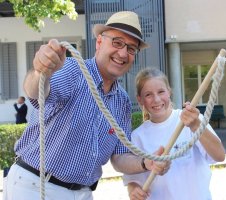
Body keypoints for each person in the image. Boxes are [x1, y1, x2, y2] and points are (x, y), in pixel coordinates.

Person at [4, 11, 169, 200]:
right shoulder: (72, 70)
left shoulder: (121, 100)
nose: (123, 53)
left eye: (131, 48)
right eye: (117, 42)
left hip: (83, 193)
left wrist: (145, 163)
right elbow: (36, 93)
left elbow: (119, 156)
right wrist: (40, 70)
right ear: (99, 42)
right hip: (35, 187)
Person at [123, 67, 226, 200]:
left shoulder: (191, 120)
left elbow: (220, 155)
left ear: (169, 91)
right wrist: (134, 190)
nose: (156, 99)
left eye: (161, 92)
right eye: (148, 94)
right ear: (140, 99)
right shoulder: (137, 137)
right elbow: (132, 180)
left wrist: (195, 125)